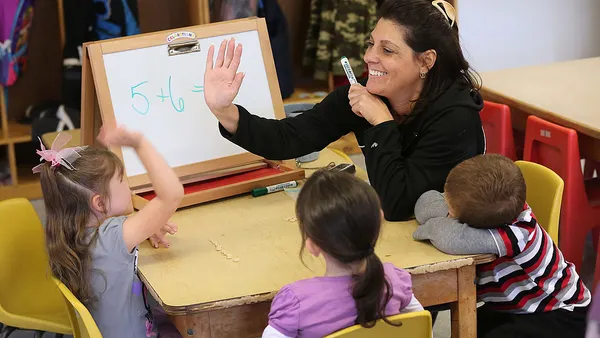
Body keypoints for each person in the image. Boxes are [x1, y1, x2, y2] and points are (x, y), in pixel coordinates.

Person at [202, 0, 485, 221]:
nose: (369, 57)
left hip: (457, 256)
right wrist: (225, 111)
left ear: (425, 61)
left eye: (387, 50)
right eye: (371, 43)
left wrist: (381, 123)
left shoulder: (454, 118)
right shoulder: (367, 93)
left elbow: (398, 205)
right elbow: (288, 138)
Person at [413, 154, 590, 338]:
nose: (446, 213)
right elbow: (425, 202)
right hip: (514, 303)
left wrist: (433, 224)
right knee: (474, 323)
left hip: (558, 312)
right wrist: (448, 214)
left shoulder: (516, 234)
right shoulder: (491, 210)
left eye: (450, 212)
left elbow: (447, 236)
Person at [38, 128, 184, 338]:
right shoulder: (112, 237)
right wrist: (139, 143)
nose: (129, 187)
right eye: (123, 181)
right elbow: (172, 195)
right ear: (99, 203)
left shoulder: (71, 235)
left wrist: (146, 227)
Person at [262, 170, 423, 338]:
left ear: (312, 245)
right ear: (380, 220)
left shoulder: (296, 304)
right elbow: (422, 329)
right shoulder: (395, 281)